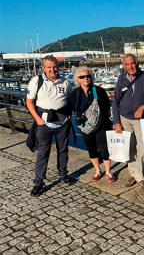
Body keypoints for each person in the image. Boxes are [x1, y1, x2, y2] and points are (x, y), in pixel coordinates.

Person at [26, 55, 73, 196]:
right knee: (43, 153)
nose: (52, 69)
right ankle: (39, 182)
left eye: (54, 67)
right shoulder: (37, 81)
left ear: (58, 67)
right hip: (44, 123)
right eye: (49, 67)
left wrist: (69, 113)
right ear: (44, 68)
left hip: (62, 123)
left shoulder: (65, 82)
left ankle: (63, 174)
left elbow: (69, 99)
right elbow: (29, 102)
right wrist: (37, 119)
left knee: (63, 150)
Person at [68, 67, 115, 183]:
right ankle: (98, 171)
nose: (85, 79)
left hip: (101, 125)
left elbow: (106, 107)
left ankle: (108, 171)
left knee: (104, 148)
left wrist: (110, 123)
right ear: (78, 80)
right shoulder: (75, 94)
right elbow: (70, 108)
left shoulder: (98, 90)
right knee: (91, 148)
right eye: (82, 77)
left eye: (88, 76)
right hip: (85, 127)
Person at [112, 54, 144, 188]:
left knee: (143, 147)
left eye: (133, 63)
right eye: (127, 64)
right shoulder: (121, 78)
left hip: (141, 119)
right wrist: (116, 121)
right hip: (124, 118)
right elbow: (115, 101)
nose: (131, 66)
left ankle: (140, 175)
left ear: (137, 63)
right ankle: (133, 173)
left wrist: (143, 106)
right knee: (129, 148)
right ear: (124, 66)